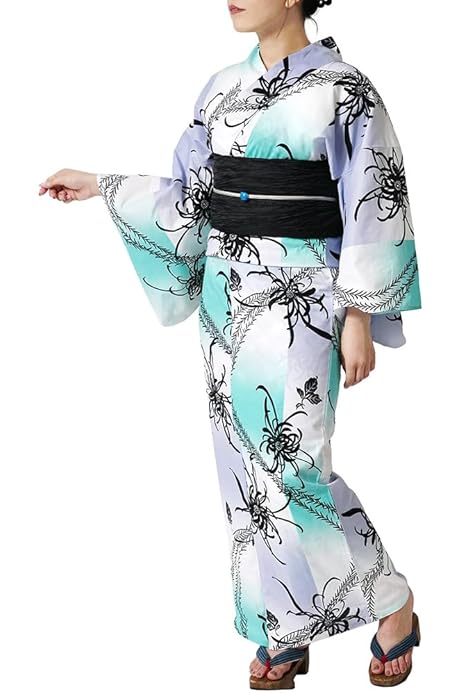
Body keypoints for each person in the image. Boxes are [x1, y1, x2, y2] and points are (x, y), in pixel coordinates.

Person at [38, 0, 422, 688]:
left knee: (294, 463)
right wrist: (102, 186)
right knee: (245, 475)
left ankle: (391, 601)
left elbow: (374, 197)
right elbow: (193, 199)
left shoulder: (346, 89)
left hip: (304, 295)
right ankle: (285, 626)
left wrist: (361, 315)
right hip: (227, 296)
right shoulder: (221, 90)